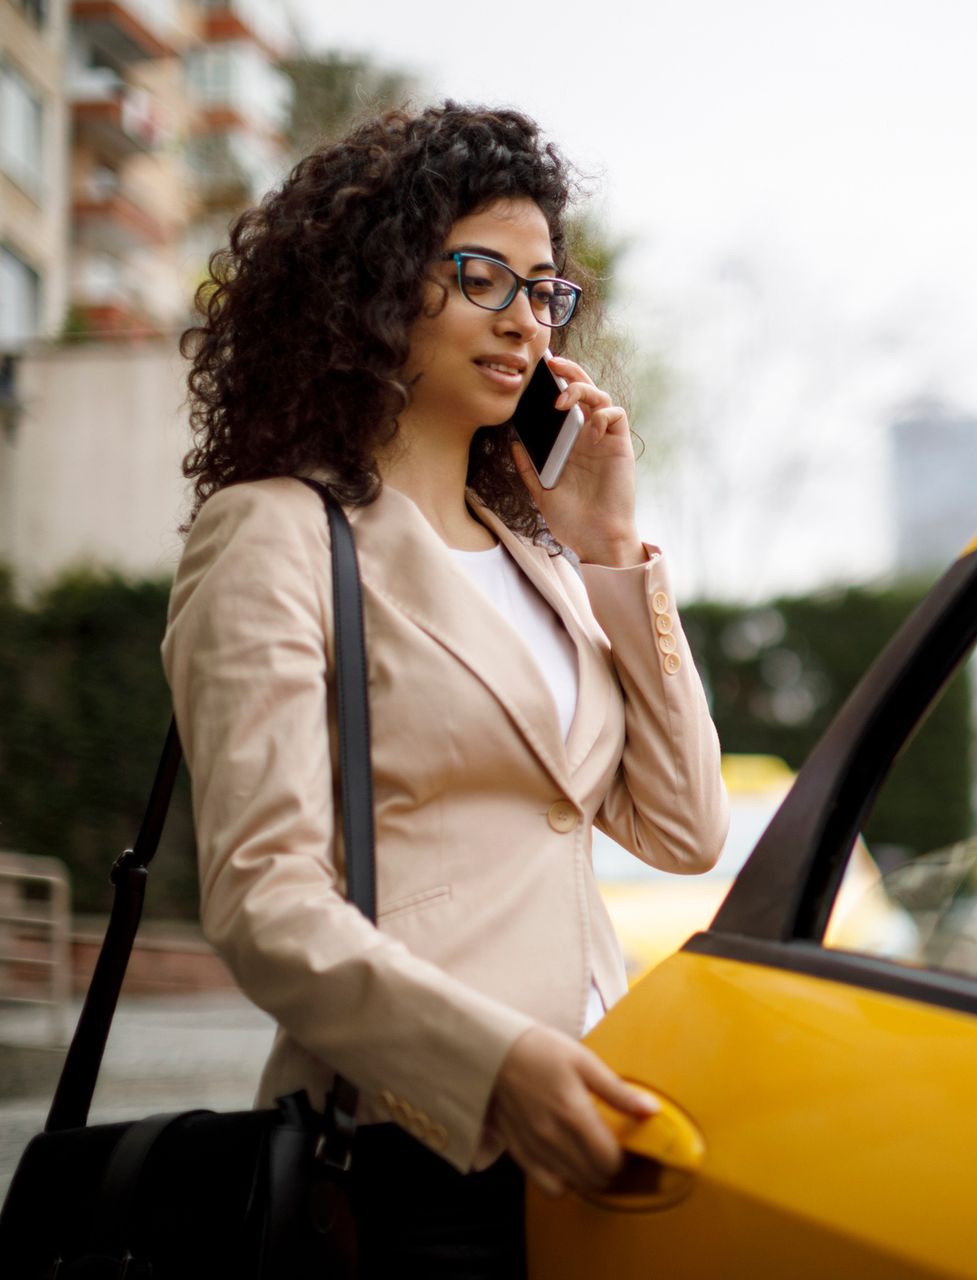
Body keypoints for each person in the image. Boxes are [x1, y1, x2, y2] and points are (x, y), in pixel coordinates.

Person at [163, 103, 728, 1274]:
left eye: (545, 290)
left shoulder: (545, 560)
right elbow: (264, 898)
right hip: (411, 1146)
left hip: (583, 1122)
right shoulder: (272, 534)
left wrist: (614, 549)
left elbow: (683, 827)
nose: (525, 318)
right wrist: (494, 1062)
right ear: (371, 287)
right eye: (482, 277)